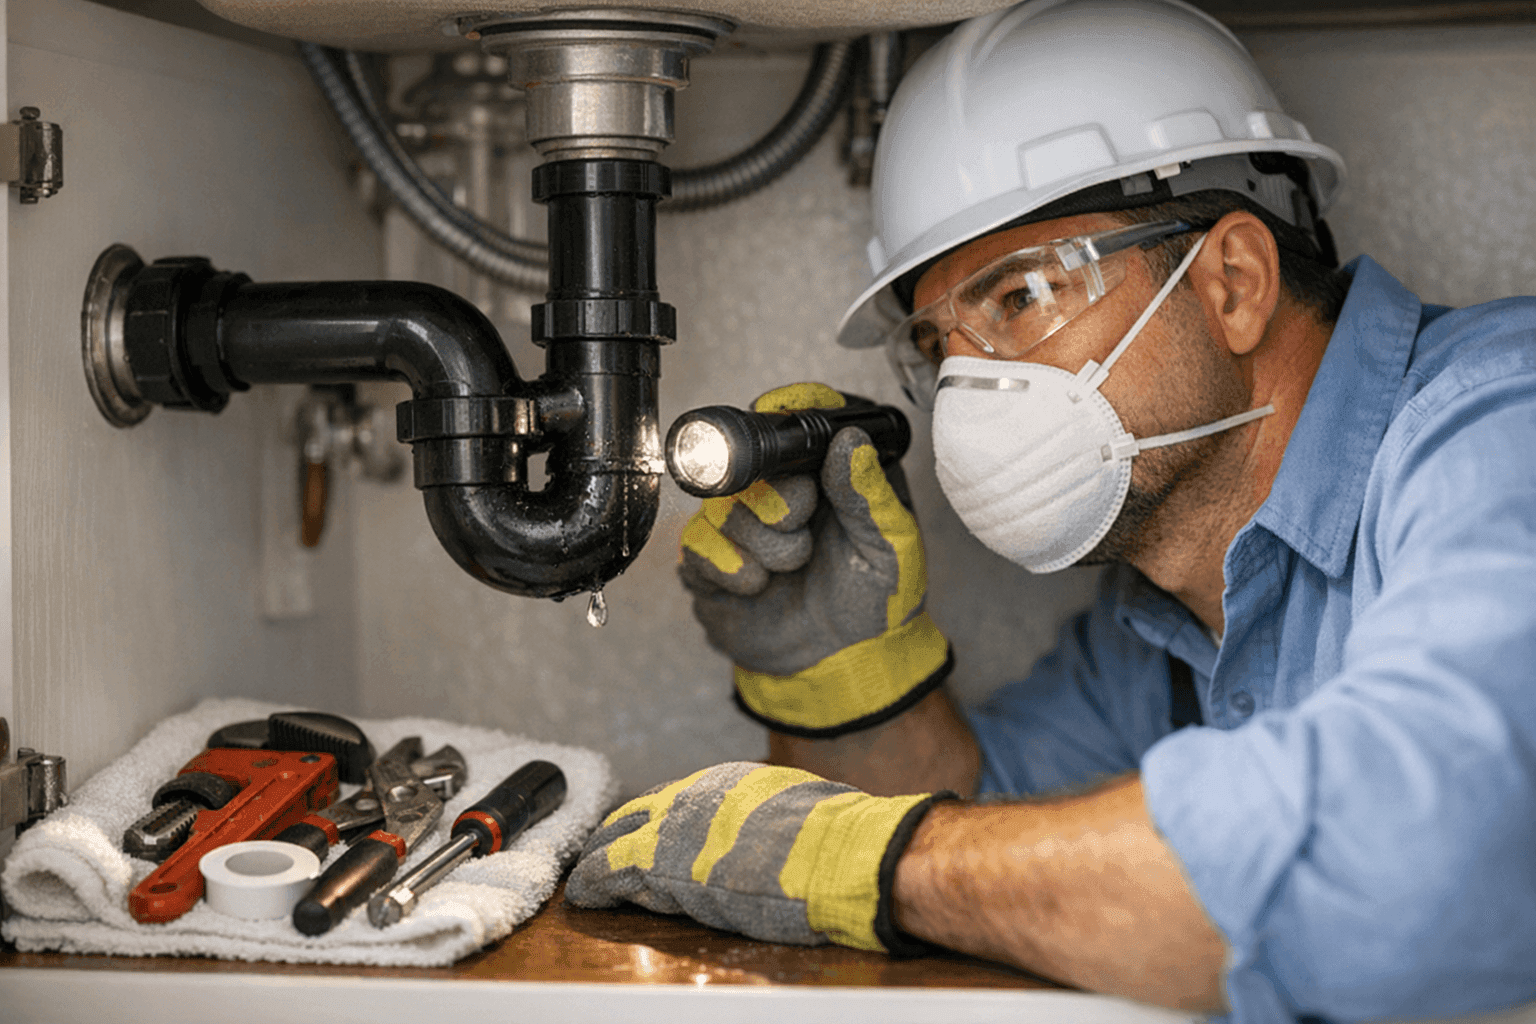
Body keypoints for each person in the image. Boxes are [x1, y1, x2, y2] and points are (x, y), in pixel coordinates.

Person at [567, 1, 1536, 1021]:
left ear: (1234, 283)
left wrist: (883, 862)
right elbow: (1016, 847)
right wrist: (841, 682)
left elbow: (1426, 855)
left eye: (1020, 298)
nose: (969, 396)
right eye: (936, 348)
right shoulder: (1158, 623)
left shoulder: (1498, 428)